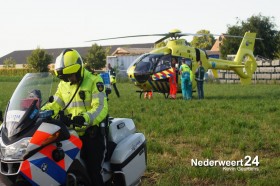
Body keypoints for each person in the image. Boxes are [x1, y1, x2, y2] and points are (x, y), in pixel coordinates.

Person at [43, 49, 108, 186]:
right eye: (65, 77)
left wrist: (84, 118)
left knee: (93, 172)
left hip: (91, 134)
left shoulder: (94, 81)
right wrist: (39, 113)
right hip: (70, 134)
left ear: (78, 70)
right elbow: (55, 104)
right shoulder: (63, 84)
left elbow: (101, 107)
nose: (69, 80)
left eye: (70, 76)